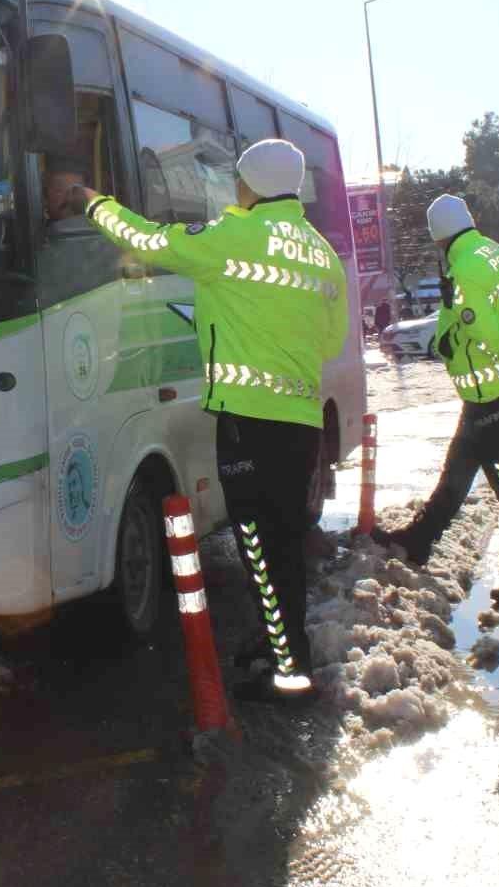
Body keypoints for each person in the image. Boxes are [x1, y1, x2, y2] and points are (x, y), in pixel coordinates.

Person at [69, 139, 348, 705]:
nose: (235, 190)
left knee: (256, 543)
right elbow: (330, 339)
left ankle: (289, 674)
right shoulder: (320, 252)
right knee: (284, 542)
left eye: (239, 181)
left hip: (249, 420)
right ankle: (282, 648)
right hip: (299, 420)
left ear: (249, 185)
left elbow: (149, 240)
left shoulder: (232, 236)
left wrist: (94, 203)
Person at [373, 195, 499, 606]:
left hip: (493, 392)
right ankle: (419, 538)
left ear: (439, 238)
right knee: (459, 465)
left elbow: (484, 329)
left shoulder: (465, 269)